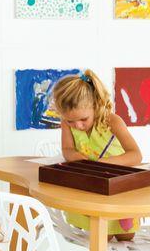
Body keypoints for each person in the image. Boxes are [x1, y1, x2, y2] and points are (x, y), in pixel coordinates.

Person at [52, 70, 143, 239]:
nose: (77, 126)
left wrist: (105, 163)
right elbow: (67, 149)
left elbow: (136, 155)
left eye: (83, 119)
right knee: (102, 238)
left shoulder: (112, 121)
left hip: (118, 187)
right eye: (70, 121)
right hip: (92, 187)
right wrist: (79, 159)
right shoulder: (66, 124)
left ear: (95, 105)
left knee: (126, 236)